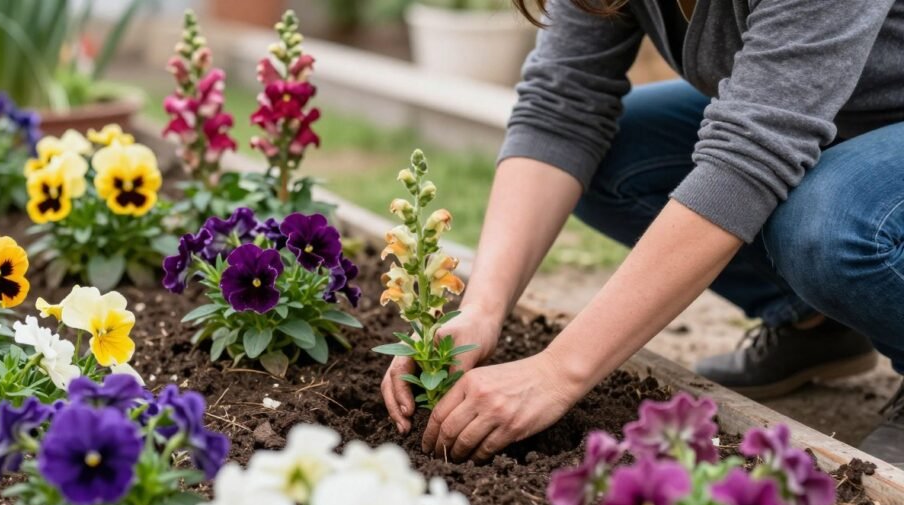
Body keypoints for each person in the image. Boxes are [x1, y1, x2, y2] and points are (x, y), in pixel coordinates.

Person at [380, 0, 904, 467]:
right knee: (615, 157)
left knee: (831, 227)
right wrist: (481, 311)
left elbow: (750, 158)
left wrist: (558, 372)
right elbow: (562, 106)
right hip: (829, 119)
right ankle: (814, 323)